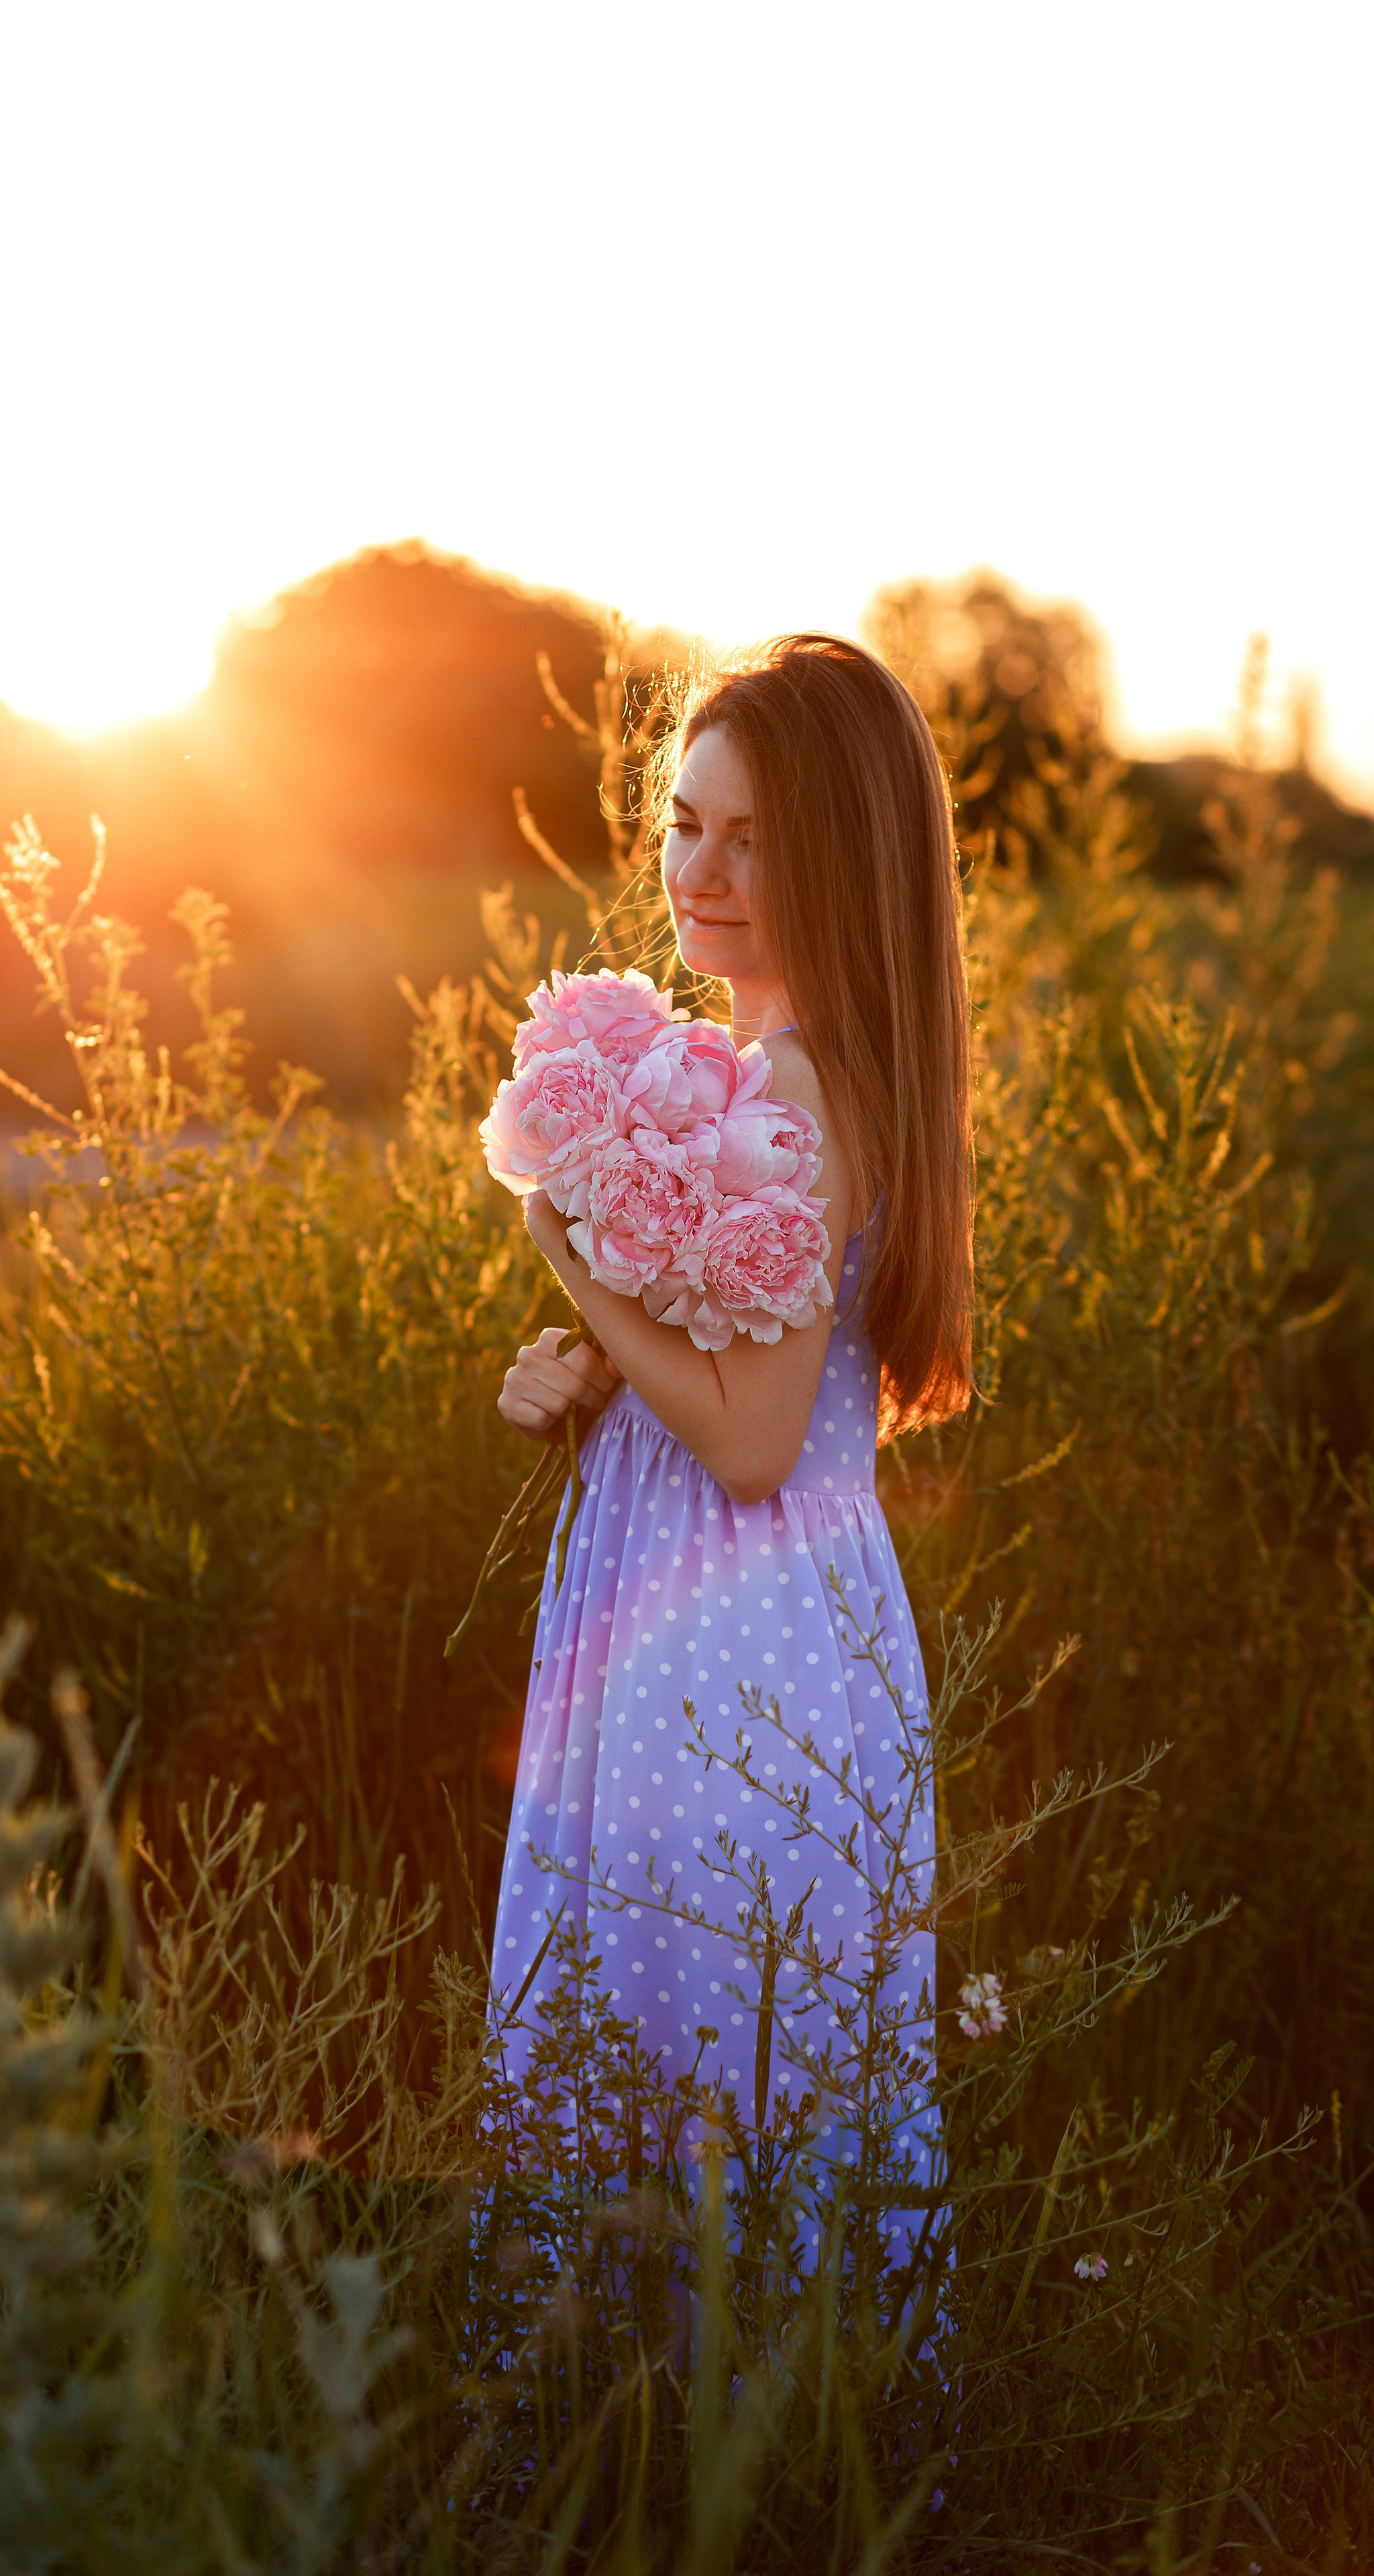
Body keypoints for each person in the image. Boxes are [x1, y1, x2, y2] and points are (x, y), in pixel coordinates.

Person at [487, 634, 974, 2255]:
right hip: (797, 1617)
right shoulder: (834, 1068)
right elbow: (751, 1376)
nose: (702, 870)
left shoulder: (778, 1087)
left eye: (756, 838)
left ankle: (665, 2449)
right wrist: (593, 1372)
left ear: (848, 857)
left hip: (722, 1630)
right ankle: (775, 2445)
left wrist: (565, 1255)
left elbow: (752, 1443)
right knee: (763, 2060)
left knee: (677, 2035)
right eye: (688, 824)